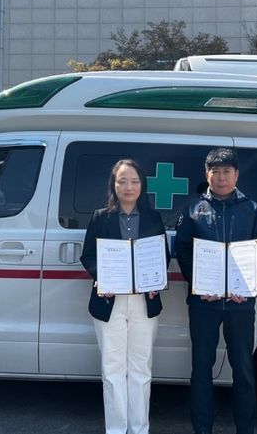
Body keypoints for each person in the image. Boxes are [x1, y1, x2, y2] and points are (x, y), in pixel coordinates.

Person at [175, 148, 257, 434]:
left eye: (227, 171)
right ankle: (202, 429)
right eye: (215, 172)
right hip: (204, 302)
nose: (221, 178)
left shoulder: (252, 209)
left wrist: (248, 287)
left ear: (236, 175)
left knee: (243, 369)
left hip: (240, 303)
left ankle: (245, 429)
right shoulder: (193, 209)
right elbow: (182, 249)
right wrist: (199, 285)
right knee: (201, 369)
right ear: (207, 175)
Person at [80, 159, 170, 434]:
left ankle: (140, 429)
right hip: (110, 302)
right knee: (112, 370)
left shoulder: (153, 218)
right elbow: (88, 256)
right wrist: (102, 277)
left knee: (141, 370)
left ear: (142, 185)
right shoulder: (100, 217)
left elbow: (162, 255)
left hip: (144, 301)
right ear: (114, 185)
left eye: (134, 181)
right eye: (122, 181)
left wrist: (155, 280)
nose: (128, 187)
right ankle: (117, 430)